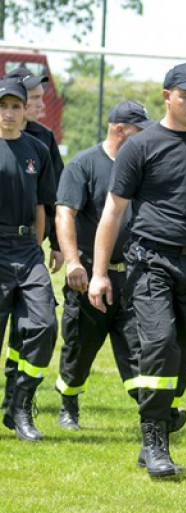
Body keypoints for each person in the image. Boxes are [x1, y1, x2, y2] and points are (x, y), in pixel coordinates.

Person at [88, 62, 186, 477]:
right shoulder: (142, 145)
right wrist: (100, 273)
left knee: (183, 355)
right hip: (151, 260)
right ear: (166, 95)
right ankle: (155, 438)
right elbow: (112, 212)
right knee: (160, 343)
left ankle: (161, 425)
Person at [53, 101, 152, 429]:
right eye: (140, 131)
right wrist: (72, 263)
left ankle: (152, 415)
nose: (145, 139)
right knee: (79, 350)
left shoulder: (140, 166)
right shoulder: (83, 164)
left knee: (139, 349)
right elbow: (65, 213)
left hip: (132, 278)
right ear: (120, 130)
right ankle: (69, 404)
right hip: (90, 276)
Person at [1, 66, 64, 413]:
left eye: (15, 106)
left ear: (25, 109)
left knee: (43, 325)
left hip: (27, 250)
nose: (9, 113)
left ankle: (20, 404)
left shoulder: (37, 149)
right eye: (3, 106)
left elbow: (43, 206)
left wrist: (39, 248)